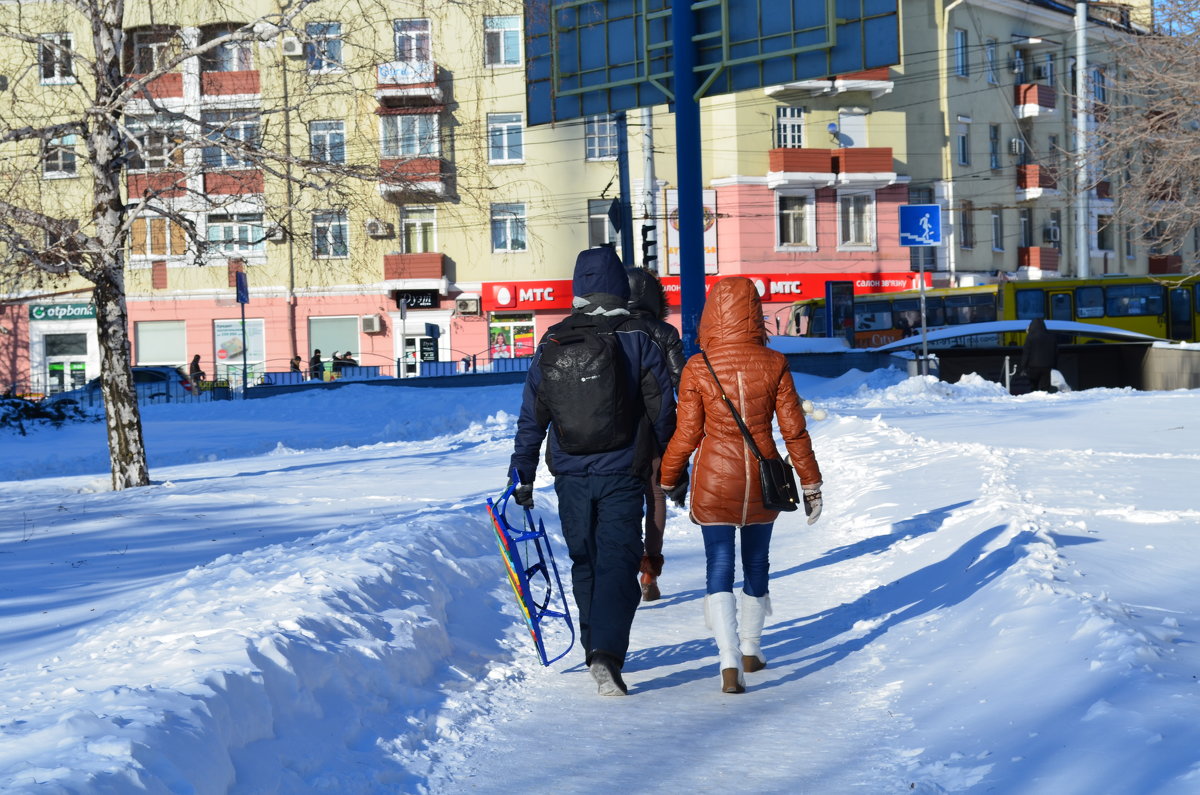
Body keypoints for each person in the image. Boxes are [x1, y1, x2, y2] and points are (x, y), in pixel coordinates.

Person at [510, 246, 676, 697]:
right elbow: (662, 410)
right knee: (619, 560)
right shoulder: (638, 336)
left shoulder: (552, 339)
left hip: (569, 474)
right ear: (620, 286)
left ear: (579, 287)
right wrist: (665, 459)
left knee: (586, 559)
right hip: (623, 469)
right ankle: (605, 653)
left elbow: (533, 414)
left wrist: (522, 470)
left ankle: (592, 648)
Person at [659, 276, 823, 695]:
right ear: (755, 314)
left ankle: (729, 659)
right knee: (756, 562)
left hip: (716, 478)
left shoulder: (699, 365)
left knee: (718, 564)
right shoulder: (774, 363)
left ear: (713, 314)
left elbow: (687, 433)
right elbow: (794, 432)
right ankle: (752, 646)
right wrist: (810, 482)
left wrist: (667, 476)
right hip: (764, 478)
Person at [626, 266, 685, 602]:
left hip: (619, 429)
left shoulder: (612, 328)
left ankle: (626, 564)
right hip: (658, 425)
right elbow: (682, 382)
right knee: (656, 497)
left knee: (626, 499)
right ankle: (650, 571)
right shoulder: (664, 332)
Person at [1020, 317, 1059, 393]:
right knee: (1045, 388)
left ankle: (1035, 401)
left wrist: (1023, 366)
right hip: (1047, 367)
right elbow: (1056, 353)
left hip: (1033, 367)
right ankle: (1044, 401)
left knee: (1033, 387)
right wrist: (1055, 366)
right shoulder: (1051, 337)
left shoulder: (1030, 337)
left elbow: (1026, 353)